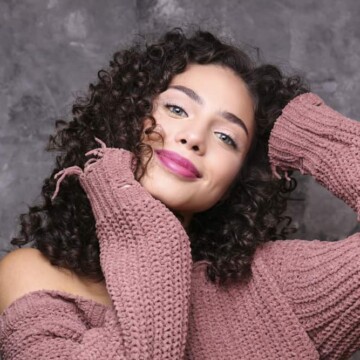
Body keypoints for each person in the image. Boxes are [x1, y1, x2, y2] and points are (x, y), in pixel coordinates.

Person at [0, 27, 359, 359]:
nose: (194, 137)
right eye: (176, 108)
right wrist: (133, 212)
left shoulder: (274, 285)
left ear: (236, 182)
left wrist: (302, 130)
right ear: (126, 112)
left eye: (226, 137)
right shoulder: (32, 276)